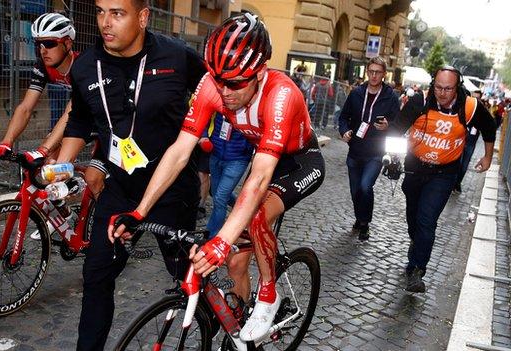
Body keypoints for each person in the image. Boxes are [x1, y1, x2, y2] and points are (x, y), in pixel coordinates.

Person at [109, 12, 325, 342]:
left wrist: (221, 242)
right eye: (217, 78)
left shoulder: (282, 95)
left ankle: (269, 294)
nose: (223, 90)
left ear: (260, 72)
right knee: (236, 263)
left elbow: (258, 179)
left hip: (298, 163)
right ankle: (238, 320)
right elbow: (179, 151)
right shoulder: (213, 85)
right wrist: (139, 211)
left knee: (254, 220)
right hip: (264, 156)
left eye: (235, 83)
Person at [53, 0, 206, 349]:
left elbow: (218, 91)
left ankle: (215, 325)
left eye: (117, 13)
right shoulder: (85, 67)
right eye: (100, 12)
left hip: (172, 191)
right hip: (119, 189)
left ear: (142, 17)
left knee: (185, 274)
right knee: (96, 277)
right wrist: (61, 166)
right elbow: (79, 121)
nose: (106, 23)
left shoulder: (177, 58)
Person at [394, 66, 496, 293]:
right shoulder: (419, 101)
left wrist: (488, 157)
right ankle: (416, 242)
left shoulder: (469, 106)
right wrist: (389, 153)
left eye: (448, 88)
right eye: (438, 87)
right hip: (414, 169)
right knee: (413, 216)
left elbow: (489, 128)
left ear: (457, 87)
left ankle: (417, 270)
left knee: (426, 219)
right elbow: (396, 128)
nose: (442, 92)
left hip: (443, 173)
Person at [0, 12, 78, 160]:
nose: (43, 50)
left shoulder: (82, 66)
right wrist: (6, 142)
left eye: (50, 43)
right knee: (47, 165)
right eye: (38, 44)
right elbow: (25, 108)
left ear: (68, 43)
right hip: (78, 121)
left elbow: (70, 113)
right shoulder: (43, 66)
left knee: (93, 179)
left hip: (102, 121)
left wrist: (43, 150)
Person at [338, 57, 399, 240]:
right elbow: (343, 117)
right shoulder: (357, 93)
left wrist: (388, 126)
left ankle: (364, 222)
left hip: (376, 152)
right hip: (355, 149)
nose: (374, 75)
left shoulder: (391, 97)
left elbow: (399, 124)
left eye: (378, 72)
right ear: (367, 72)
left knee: (365, 187)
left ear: (384, 74)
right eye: (371, 71)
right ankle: (359, 217)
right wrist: (344, 131)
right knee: (355, 189)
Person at [203, 113, 253, 238]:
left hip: (237, 160)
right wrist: (204, 137)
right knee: (216, 194)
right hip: (215, 155)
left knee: (219, 198)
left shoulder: (250, 109)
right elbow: (203, 118)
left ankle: (211, 235)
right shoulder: (218, 103)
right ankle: (243, 209)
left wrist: (247, 149)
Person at [454, 89, 483, 193]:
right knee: (457, 163)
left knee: (464, 165)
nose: (475, 99)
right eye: (473, 97)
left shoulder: (481, 111)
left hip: (470, 142)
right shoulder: (464, 109)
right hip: (460, 141)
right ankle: (453, 183)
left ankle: (457, 183)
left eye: (477, 98)